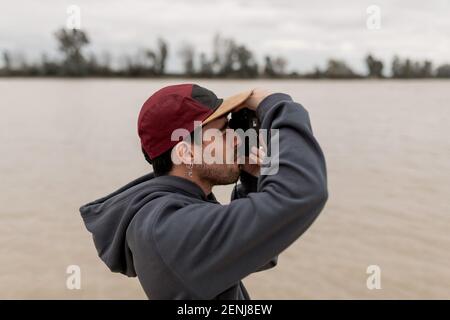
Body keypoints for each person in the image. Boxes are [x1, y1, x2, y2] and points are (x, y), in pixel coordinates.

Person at [79, 83, 328, 299]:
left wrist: (252, 178)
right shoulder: (166, 228)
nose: (236, 138)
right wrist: (278, 106)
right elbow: (302, 193)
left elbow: (260, 251)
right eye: (222, 131)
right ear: (186, 153)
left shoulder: (173, 208)